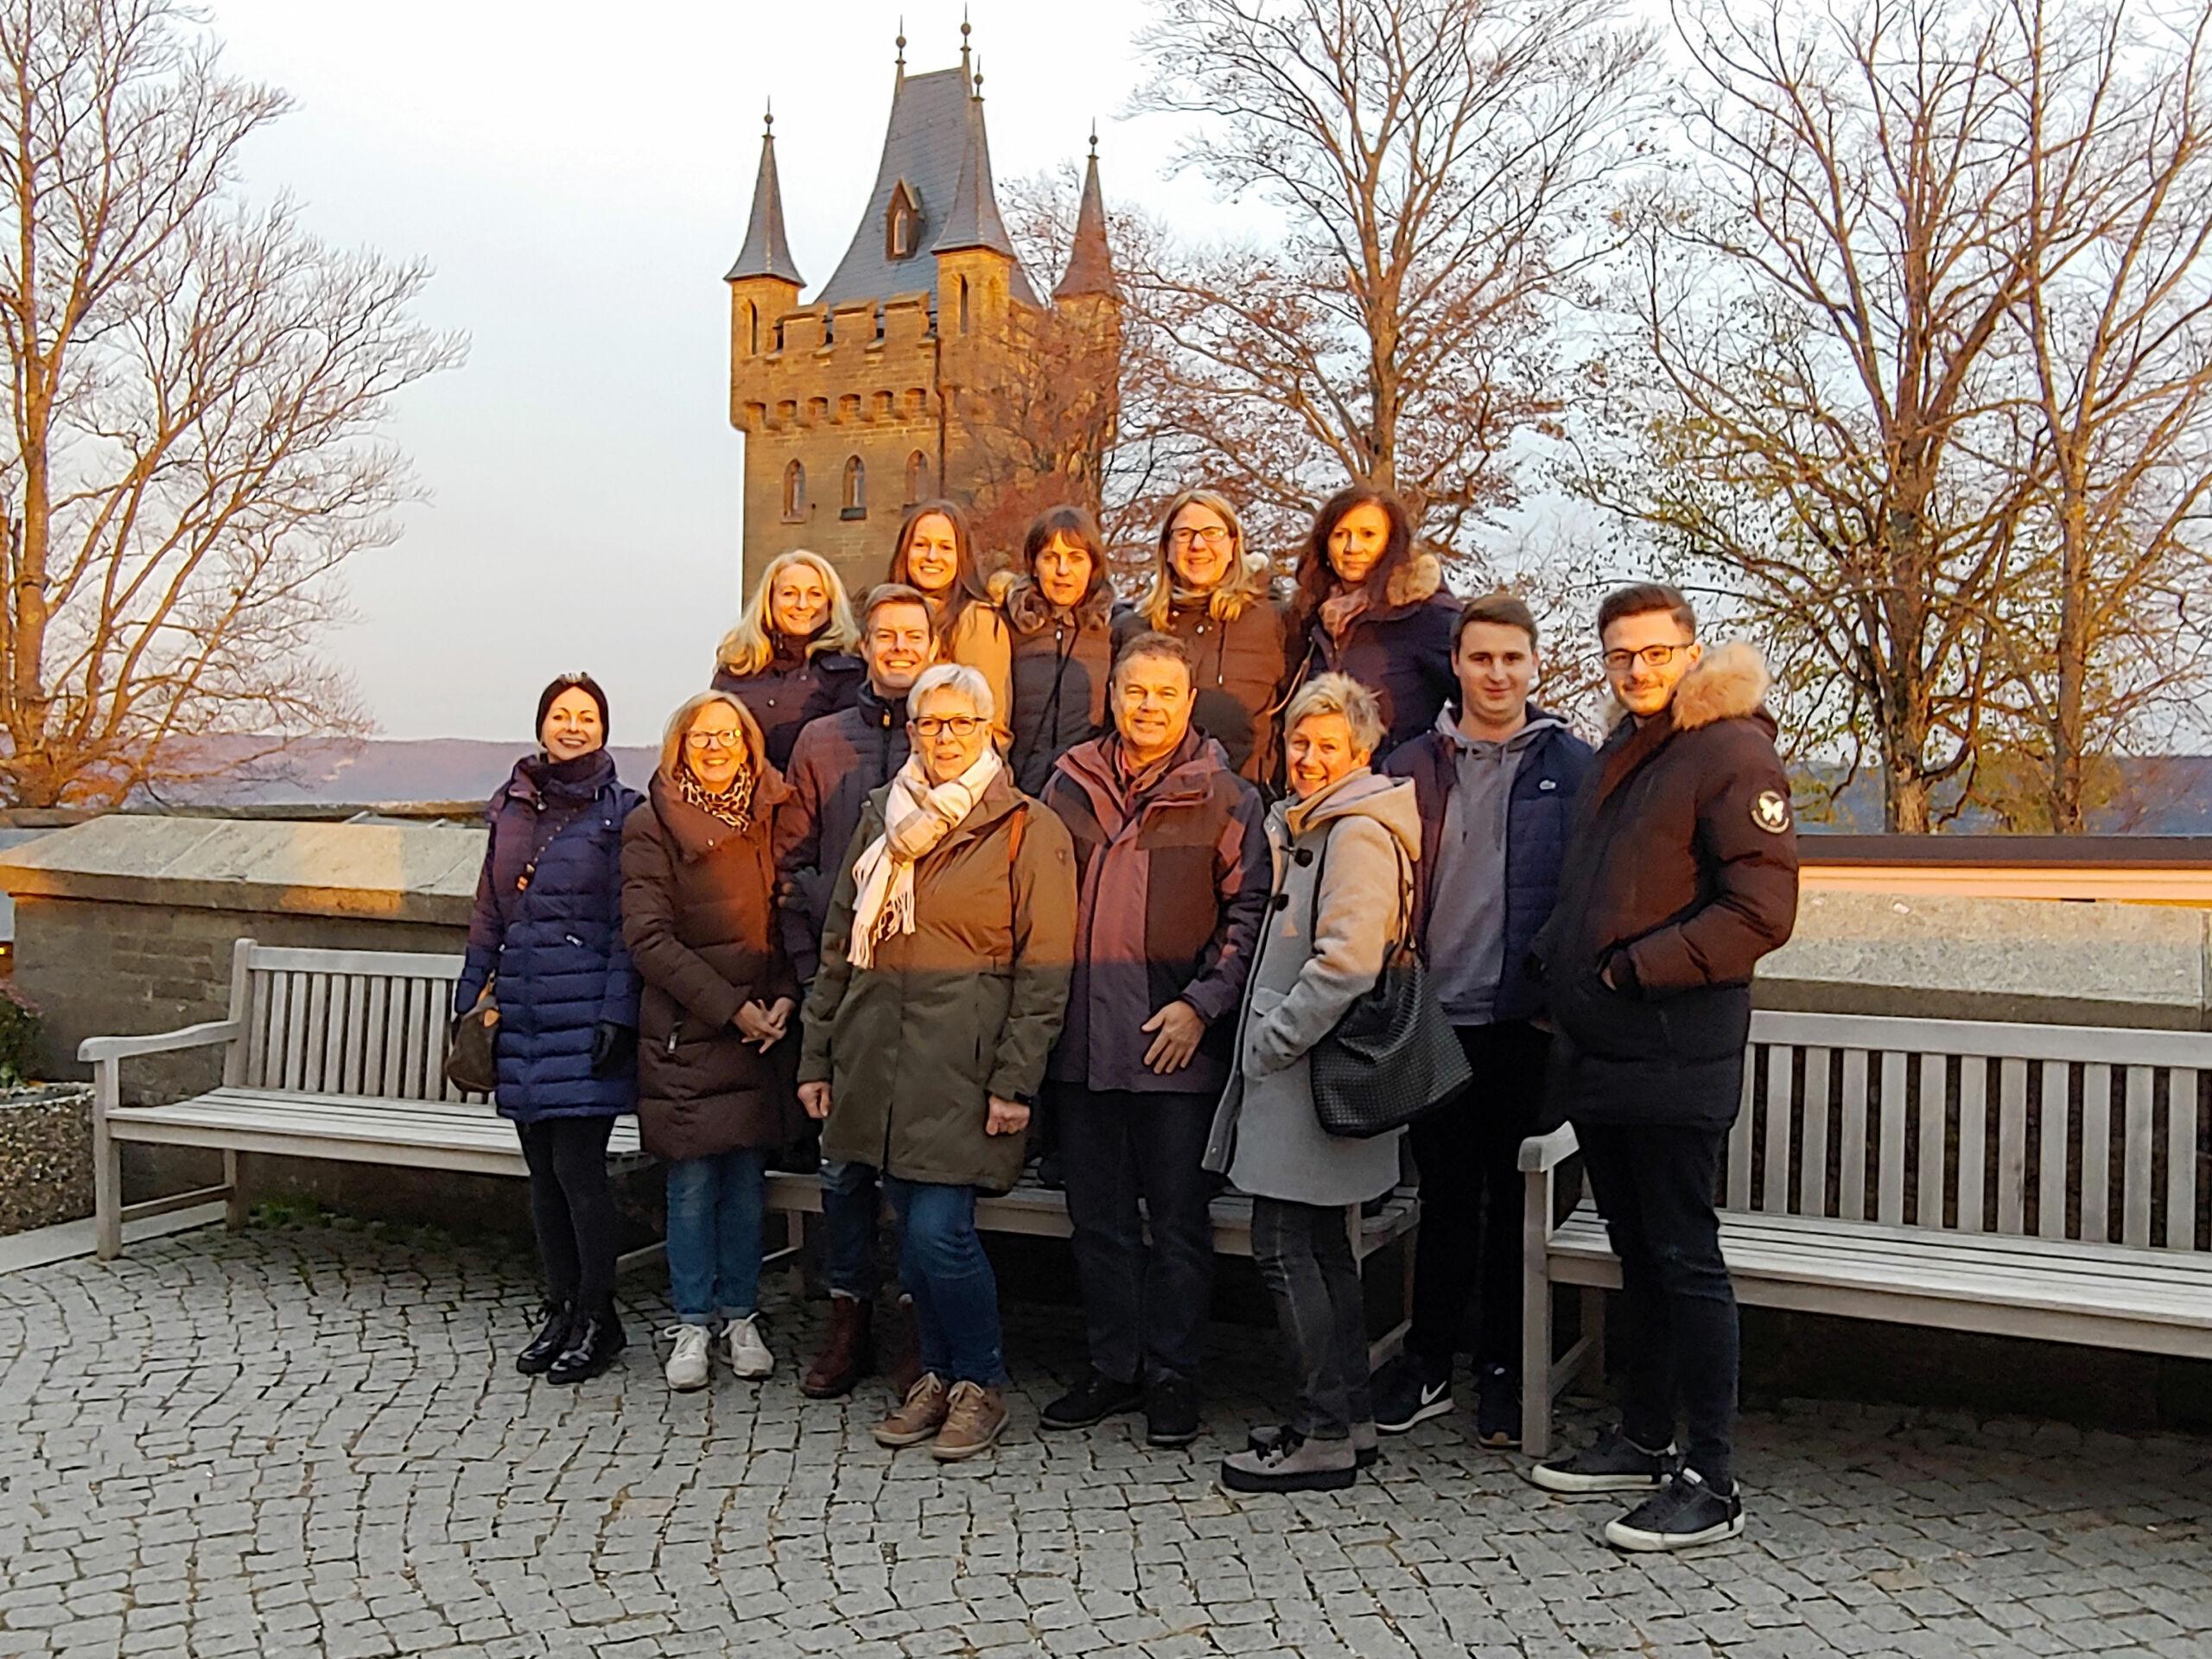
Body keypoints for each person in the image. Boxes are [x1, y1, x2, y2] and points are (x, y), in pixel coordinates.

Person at [1528, 582, 1798, 1553]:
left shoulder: (1731, 749)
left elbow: (1760, 913)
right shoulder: (1631, 750)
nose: (1637, 670)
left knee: (1685, 1259)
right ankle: (1644, 1436)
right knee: (1635, 1254)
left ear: (1690, 651)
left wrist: (1633, 970)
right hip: (1603, 1047)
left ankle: (1711, 1476)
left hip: (1675, 1046)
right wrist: (1558, 965)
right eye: (1619, 656)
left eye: (1654, 653)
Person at [797, 664, 1076, 1461]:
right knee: (913, 1238)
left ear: (991, 731)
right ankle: (939, 1379)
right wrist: (819, 1057)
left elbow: (1045, 968)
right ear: (910, 729)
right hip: (876, 1061)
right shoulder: (882, 818)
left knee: (941, 1233)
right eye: (930, 723)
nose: (944, 737)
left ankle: (979, 1382)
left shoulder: (1027, 828)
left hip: (966, 1066)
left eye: (960, 723)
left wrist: (1015, 1082)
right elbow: (839, 947)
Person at [1369, 592, 1593, 1446]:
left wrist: (1549, 996)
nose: (1496, 674)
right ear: (1456, 665)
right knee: (1444, 1198)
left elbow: (1586, 898)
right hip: (1432, 1016)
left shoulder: (1571, 767)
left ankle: (1502, 1366)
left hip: (1519, 1025)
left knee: (1511, 1205)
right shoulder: (1412, 764)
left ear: (1533, 665)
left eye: (1512, 659)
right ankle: (1428, 1360)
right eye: (1479, 658)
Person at [1037, 632, 1268, 1448]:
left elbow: (1250, 921)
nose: (1148, 707)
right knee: (1095, 1221)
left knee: (1176, 1224)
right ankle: (1113, 1367)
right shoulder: (1064, 785)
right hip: (1080, 1044)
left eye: (1165, 695)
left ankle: (1174, 1376)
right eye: (1135, 691)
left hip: (1176, 1048)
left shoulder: (1230, 799)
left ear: (1188, 702)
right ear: (1113, 696)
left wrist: (1201, 1006)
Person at [1205, 674, 1421, 1494]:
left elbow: (1348, 961)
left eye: (1329, 744)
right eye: (1300, 741)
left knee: (1287, 1247)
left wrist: (1271, 1039)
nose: (1309, 757)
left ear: (1360, 751)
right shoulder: (1318, 822)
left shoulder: (1356, 832)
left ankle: (1323, 1429)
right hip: (1308, 1074)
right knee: (1325, 1248)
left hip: (1309, 1071)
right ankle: (1346, 1416)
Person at [773, 582, 936, 1400]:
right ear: (864, 646)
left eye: (914, 636)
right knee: (842, 1172)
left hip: (931, 992)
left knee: (911, 1171)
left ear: (933, 645)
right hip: (843, 985)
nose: (899, 648)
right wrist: (810, 974)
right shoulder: (821, 741)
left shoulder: (952, 739)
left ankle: (914, 1328)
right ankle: (848, 1323)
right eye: (886, 636)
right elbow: (790, 866)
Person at [456, 672, 641, 1385]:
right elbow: (488, 915)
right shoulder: (510, 809)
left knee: (579, 1170)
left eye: (587, 716)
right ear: (541, 728)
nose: (573, 726)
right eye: (561, 715)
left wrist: (616, 1012)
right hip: (523, 1012)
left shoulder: (621, 813)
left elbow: (631, 925)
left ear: (604, 729)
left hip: (584, 1010)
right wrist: (470, 993)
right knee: (541, 1175)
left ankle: (599, 1314)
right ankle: (561, 1305)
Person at [622, 690, 805, 1393]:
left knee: (744, 1184)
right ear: (680, 746)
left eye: (730, 736)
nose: (718, 747)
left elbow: (782, 914)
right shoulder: (652, 825)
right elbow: (648, 938)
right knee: (694, 1184)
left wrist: (785, 993)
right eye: (703, 736)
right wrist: (733, 1010)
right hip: (690, 1034)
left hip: (761, 1030)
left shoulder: (767, 818)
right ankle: (693, 1322)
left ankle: (742, 1316)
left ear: (750, 745)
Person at [1115, 490, 1292, 787]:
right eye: (1184, 534)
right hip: (1153, 802)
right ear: (1167, 548)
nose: (1197, 545)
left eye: (1211, 533)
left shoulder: (1275, 621)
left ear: (1234, 545)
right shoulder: (1134, 628)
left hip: (1247, 803)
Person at [1288, 485, 1458, 761]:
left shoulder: (1427, 615)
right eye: (1340, 535)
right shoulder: (1309, 618)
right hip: (1316, 788)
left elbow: (1478, 700)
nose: (1352, 548)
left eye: (1368, 535)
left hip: (1396, 791)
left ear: (1391, 543)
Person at [710, 550, 865, 771]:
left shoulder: (849, 672)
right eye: (789, 593)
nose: (802, 604)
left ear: (831, 603)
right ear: (769, 599)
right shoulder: (737, 667)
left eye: (815, 594)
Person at [1003, 505, 1121, 796]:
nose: (1062, 570)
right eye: (1051, 557)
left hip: (1090, 795)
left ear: (1093, 565)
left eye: (1076, 558)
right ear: (1033, 564)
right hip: (1016, 792)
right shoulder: (1006, 627)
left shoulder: (1118, 630)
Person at [885, 499, 1014, 734]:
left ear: (961, 556)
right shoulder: (886, 614)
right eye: (921, 545)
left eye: (945, 547)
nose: (932, 556)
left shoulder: (977, 621)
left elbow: (989, 722)